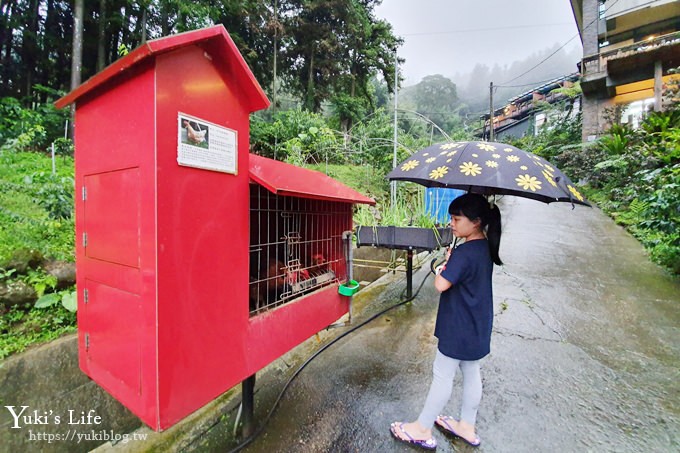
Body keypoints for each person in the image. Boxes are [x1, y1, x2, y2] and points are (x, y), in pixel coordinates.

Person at [390, 193, 503, 450]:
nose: (451, 223)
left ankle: (421, 428)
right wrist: (454, 260)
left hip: (458, 326)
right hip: (478, 324)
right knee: (472, 372)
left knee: (442, 375)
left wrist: (443, 266)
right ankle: (467, 425)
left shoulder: (464, 253)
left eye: (456, 218)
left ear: (475, 222)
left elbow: (441, 284)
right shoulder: (485, 247)